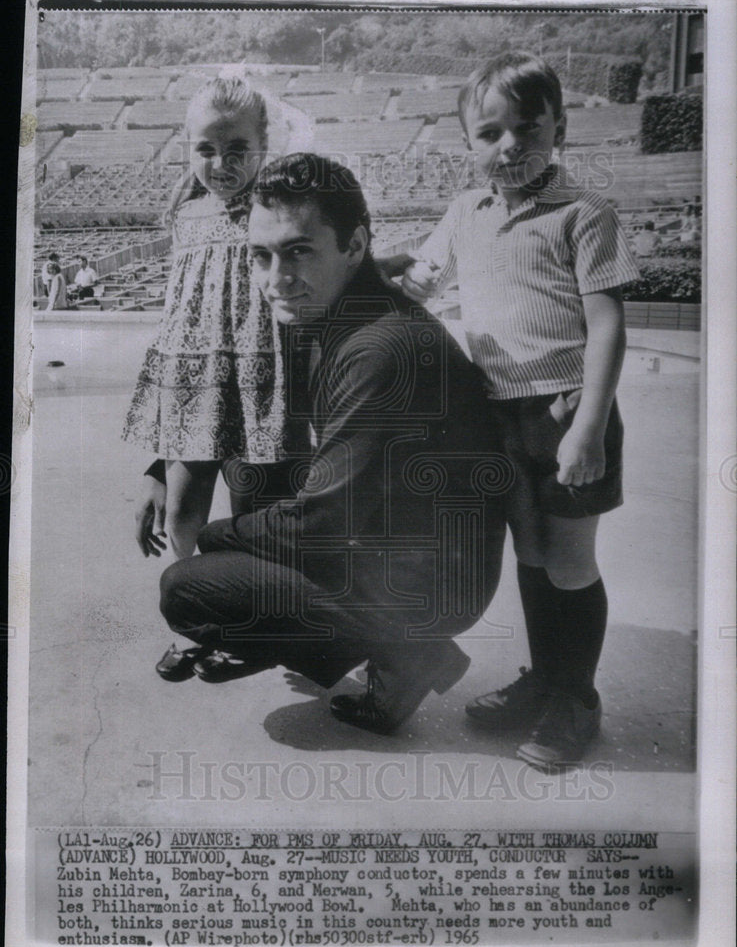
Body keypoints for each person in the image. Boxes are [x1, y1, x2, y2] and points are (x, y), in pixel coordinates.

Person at [155, 153, 508, 733]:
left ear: (354, 245)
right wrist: (157, 462)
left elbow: (321, 523)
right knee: (254, 464)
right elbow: (236, 398)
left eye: (299, 251)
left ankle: (407, 651)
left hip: (435, 581)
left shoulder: (378, 349)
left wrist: (218, 540)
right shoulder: (327, 311)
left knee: (189, 588)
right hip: (399, 541)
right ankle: (379, 649)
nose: (276, 279)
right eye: (262, 256)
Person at [383, 53, 641, 770]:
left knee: (567, 563)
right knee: (531, 554)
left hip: (565, 412)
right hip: (498, 413)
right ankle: (544, 680)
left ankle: (576, 698)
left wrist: (588, 426)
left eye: (527, 128)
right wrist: (368, 271)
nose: (509, 147)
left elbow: (609, 327)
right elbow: (421, 283)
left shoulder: (584, 215)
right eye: (489, 133)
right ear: (468, 141)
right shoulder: (466, 212)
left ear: (558, 126)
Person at [122, 74, 288, 561]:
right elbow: (179, 317)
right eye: (206, 149)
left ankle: (252, 630)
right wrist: (159, 460)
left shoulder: (276, 206)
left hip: (257, 380)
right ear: (188, 148)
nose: (221, 164)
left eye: (238, 149)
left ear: (263, 145)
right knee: (180, 516)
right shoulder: (186, 216)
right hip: (192, 383)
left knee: (253, 520)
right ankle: (198, 623)